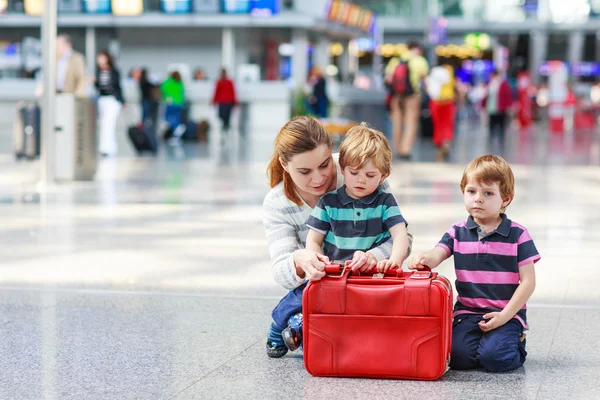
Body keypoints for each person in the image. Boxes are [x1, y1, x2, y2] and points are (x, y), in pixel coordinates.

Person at [262, 116, 413, 358]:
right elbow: (282, 270)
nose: (319, 178)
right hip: (320, 283)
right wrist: (302, 260)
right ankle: (291, 325)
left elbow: (404, 238)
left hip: (362, 282)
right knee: (319, 331)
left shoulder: (356, 167)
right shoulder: (277, 203)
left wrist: (371, 258)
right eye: (304, 171)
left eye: (324, 165)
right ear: (285, 164)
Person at [407, 154, 540, 373]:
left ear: (505, 199)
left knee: (495, 360)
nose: (478, 198)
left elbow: (528, 282)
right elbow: (437, 254)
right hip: (467, 313)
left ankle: (516, 342)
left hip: (506, 314)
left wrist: (505, 316)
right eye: (471, 191)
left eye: (488, 193)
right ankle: (484, 344)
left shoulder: (518, 235)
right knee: (458, 359)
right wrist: (424, 259)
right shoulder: (457, 232)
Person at [384, 41, 429, 160]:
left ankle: (396, 149)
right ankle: (405, 150)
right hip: (412, 96)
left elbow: (388, 79)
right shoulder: (420, 61)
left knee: (396, 123)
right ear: (418, 50)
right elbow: (425, 81)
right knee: (410, 123)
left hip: (396, 96)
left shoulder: (396, 60)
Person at [94, 50, 124, 157]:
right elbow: (98, 87)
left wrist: (122, 101)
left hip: (112, 99)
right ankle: (105, 147)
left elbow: (118, 87)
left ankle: (109, 148)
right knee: (103, 123)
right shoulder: (98, 72)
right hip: (102, 100)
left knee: (109, 123)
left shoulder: (114, 72)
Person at [426, 61, 456, 162]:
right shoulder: (449, 71)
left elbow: (428, 88)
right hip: (448, 101)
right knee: (447, 124)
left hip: (435, 102)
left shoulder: (433, 72)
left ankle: (438, 148)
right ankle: (446, 145)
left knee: (438, 125)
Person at [483, 70, 513, 153]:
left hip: (501, 109)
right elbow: (486, 96)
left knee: (501, 126)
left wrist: (508, 106)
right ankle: (491, 141)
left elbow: (507, 95)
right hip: (491, 109)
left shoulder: (502, 84)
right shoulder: (490, 84)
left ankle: (501, 142)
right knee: (491, 125)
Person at [161, 70, 186, 142]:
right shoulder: (180, 83)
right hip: (179, 103)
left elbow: (163, 89)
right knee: (176, 117)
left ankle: (177, 127)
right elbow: (182, 93)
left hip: (170, 102)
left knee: (167, 118)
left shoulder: (169, 82)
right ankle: (176, 132)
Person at [211, 68, 237, 132]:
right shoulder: (219, 82)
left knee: (226, 116)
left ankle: (226, 128)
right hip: (223, 101)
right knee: (223, 116)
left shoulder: (229, 82)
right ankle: (225, 127)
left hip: (227, 101)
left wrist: (234, 102)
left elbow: (232, 92)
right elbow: (217, 92)